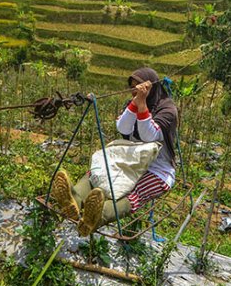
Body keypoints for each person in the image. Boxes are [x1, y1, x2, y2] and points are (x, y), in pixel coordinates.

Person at [50, 67, 178, 236]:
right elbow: (122, 126)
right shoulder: (132, 102)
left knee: (135, 193)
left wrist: (142, 105)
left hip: (156, 169)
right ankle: (73, 200)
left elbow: (149, 136)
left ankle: (97, 217)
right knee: (98, 174)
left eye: (139, 87)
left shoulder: (168, 110)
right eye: (132, 87)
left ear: (150, 88)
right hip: (132, 158)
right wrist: (135, 104)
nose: (135, 91)